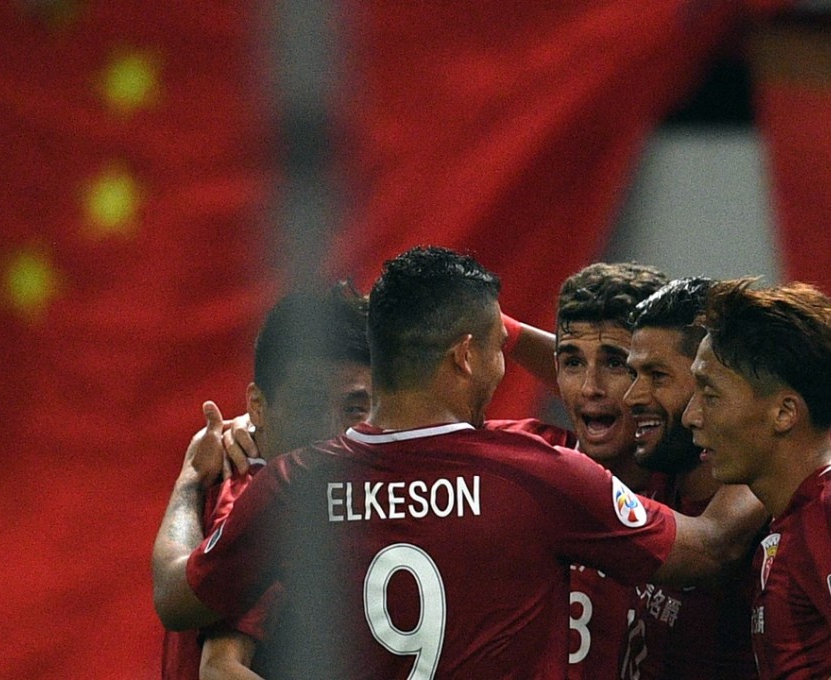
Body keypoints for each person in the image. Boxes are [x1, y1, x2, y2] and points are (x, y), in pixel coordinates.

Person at [154, 246, 757, 678]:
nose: (594, 387)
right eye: (497, 346)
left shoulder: (295, 482)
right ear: (468, 355)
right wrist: (793, 438)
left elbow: (176, 598)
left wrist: (188, 483)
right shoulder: (536, 472)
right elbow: (709, 546)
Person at [160, 282, 372, 679]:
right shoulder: (256, 498)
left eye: (356, 409)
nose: (332, 433)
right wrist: (190, 478)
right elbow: (220, 671)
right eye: (308, 407)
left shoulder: (341, 495)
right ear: (257, 406)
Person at [682, 278, 831, 679]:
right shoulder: (794, 518)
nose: (690, 416)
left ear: (784, 412)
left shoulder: (826, 511)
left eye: (710, 395)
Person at [622, 277, 759, 679]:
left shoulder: (770, 490)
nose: (632, 396)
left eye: (657, 376)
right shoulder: (660, 468)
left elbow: (712, 546)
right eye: (633, 373)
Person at [552, 262, 670, 679]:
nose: (590, 387)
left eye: (615, 363)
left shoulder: (702, 489)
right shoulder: (524, 473)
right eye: (572, 362)